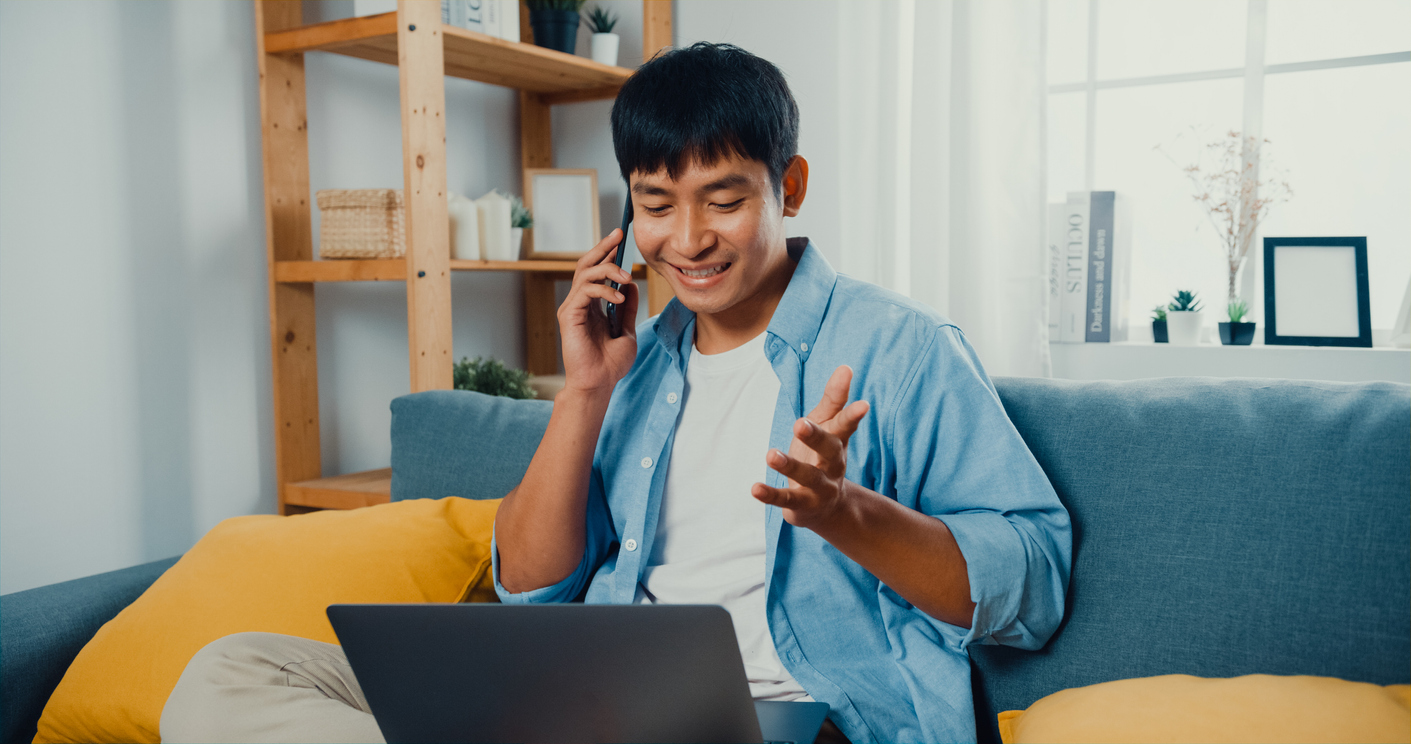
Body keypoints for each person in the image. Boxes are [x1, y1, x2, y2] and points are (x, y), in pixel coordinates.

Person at [160, 42, 1070, 744]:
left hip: (784, 718)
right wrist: (584, 392)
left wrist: (842, 513)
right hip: (580, 704)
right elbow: (529, 589)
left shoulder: (901, 350)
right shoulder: (636, 360)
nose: (687, 239)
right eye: (656, 202)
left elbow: (1032, 581)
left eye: (723, 200)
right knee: (227, 674)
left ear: (787, 187)